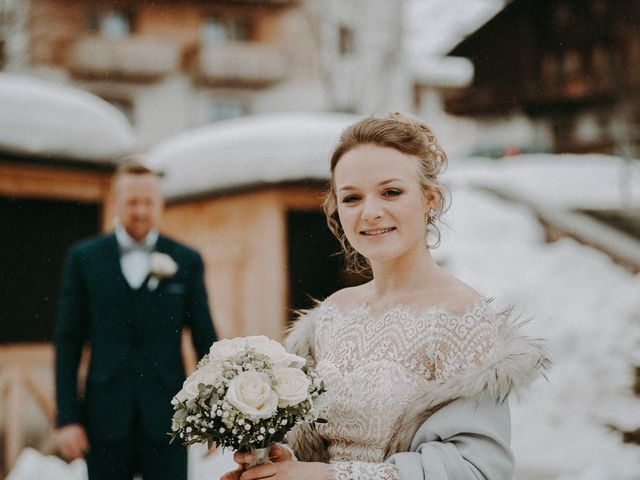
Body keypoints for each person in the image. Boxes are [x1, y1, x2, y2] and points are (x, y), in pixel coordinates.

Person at [222, 113, 549, 480]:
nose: (371, 212)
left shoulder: (460, 315)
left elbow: (474, 470)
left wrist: (329, 478)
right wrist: (280, 461)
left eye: (391, 192)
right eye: (352, 197)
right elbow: (319, 446)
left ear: (430, 199)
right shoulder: (333, 313)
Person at [54, 160, 217, 480]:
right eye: (132, 202)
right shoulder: (84, 258)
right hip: (104, 419)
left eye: (148, 202)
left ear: (160, 204)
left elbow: (205, 340)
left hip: (168, 419)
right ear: (116, 203)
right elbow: (68, 341)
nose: (140, 211)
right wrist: (67, 417)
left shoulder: (186, 260)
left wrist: (214, 416)